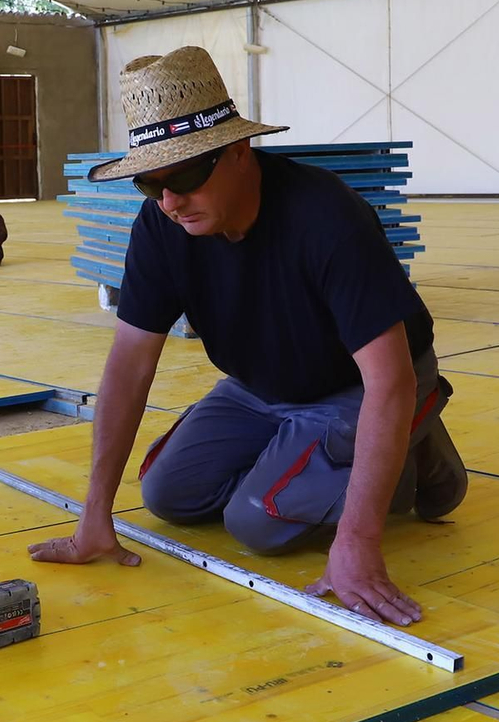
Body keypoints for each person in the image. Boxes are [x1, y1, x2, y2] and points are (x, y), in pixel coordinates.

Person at [29, 47, 466, 628]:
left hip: (361, 385)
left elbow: (387, 379)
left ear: (238, 151)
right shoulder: (162, 225)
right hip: (259, 385)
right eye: (148, 183)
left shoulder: (326, 217)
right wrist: (94, 516)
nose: (169, 201)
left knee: (257, 522)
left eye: (183, 176)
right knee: (167, 496)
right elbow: (128, 366)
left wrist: (357, 543)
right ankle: (316, 457)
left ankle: (417, 454)